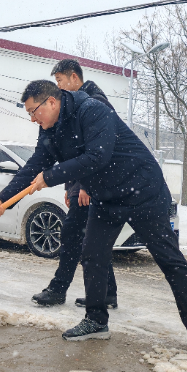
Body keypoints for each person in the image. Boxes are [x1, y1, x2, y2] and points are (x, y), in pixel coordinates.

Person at [0, 80, 187, 359]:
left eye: (34, 112)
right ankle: (96, 319)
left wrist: (51, 177)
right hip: (106, 197)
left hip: (143, 191)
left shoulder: (92, 111)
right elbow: (35, 165)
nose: (33, 119)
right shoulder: (50, 130)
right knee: (93, 255)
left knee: (169, 259)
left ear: (51, 102)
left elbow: (97, 156)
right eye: (30, 114)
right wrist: (3, 200)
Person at [30, 58, 119, 309]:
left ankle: (59, 290)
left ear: (74, 78)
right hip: (84, 185)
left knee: (73, 235)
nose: (58, 88)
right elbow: (70, 152)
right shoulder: (71, 106)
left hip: (96, 185)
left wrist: (84, 186)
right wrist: (72, 185)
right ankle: (107, 293)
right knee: (90, 239)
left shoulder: (94, 102)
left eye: (59, 81)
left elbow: (95, 153)